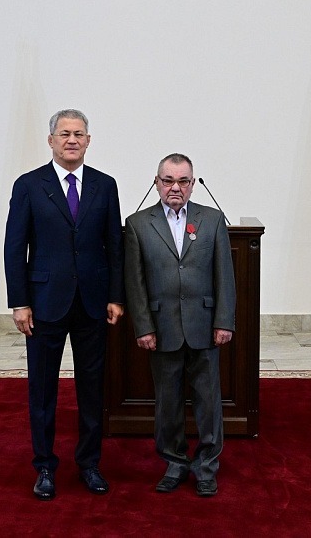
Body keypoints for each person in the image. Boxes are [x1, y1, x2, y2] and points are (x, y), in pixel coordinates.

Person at [4, 109, 124, 500]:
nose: (72, 140)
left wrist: (115, 295)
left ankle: (89, 464)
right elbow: (14, 247)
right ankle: (44, 466)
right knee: (42, 390)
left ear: (88, 140)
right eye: (64, 133)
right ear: (51, 140)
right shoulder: (29, 185)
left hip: (93, 303)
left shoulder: (105, 185)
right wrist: (20, 302)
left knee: (92, 388)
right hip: (43, 304)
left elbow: (115, 246)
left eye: (79, 134)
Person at [123, 153, 236, 497]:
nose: (175, 187)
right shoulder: (138, 224)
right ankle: (174, 464)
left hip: (205, 326)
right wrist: (143, 327)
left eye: (183, 181)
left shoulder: (212, 220)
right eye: (168, 180)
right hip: (162, 329)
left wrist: (224, 321)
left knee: (208, 403)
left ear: (192, 184)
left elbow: (225, 276)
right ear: (156, 182)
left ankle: (206, 468)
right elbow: (135, 283)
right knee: (168, 403)